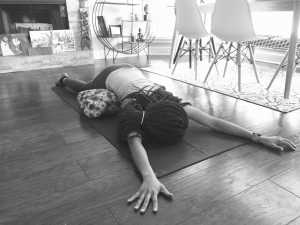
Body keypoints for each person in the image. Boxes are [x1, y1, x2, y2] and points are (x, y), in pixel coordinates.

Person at [55, 63, 297, 213]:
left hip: (133, 69)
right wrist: (149, 176)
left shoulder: (172, 102)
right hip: (111, 74)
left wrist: (258, 136)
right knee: (85, 86)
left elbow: (213, 122)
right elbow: (133, 141)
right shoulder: (131, 107)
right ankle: (65, 79)